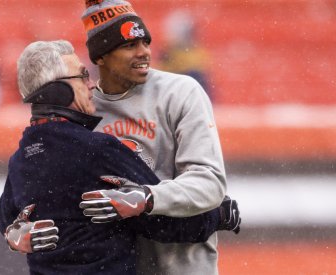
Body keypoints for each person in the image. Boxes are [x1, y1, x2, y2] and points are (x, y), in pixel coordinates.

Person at [0, 40, 236, 274]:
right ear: (59, 91)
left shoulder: (21, 159)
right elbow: (165, 225)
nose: (91, 84)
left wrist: (12, 236)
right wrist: (219, 215)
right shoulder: (98, 150)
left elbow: (6, 219)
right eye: (82, 76)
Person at [78, 1, 234, 274]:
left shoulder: (182, 92)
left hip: (185, 266)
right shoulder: (83, 110)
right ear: (100, 56)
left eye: (146, 43)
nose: (144, 53)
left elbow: (209, 181)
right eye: (129, 45)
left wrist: (146, 198)